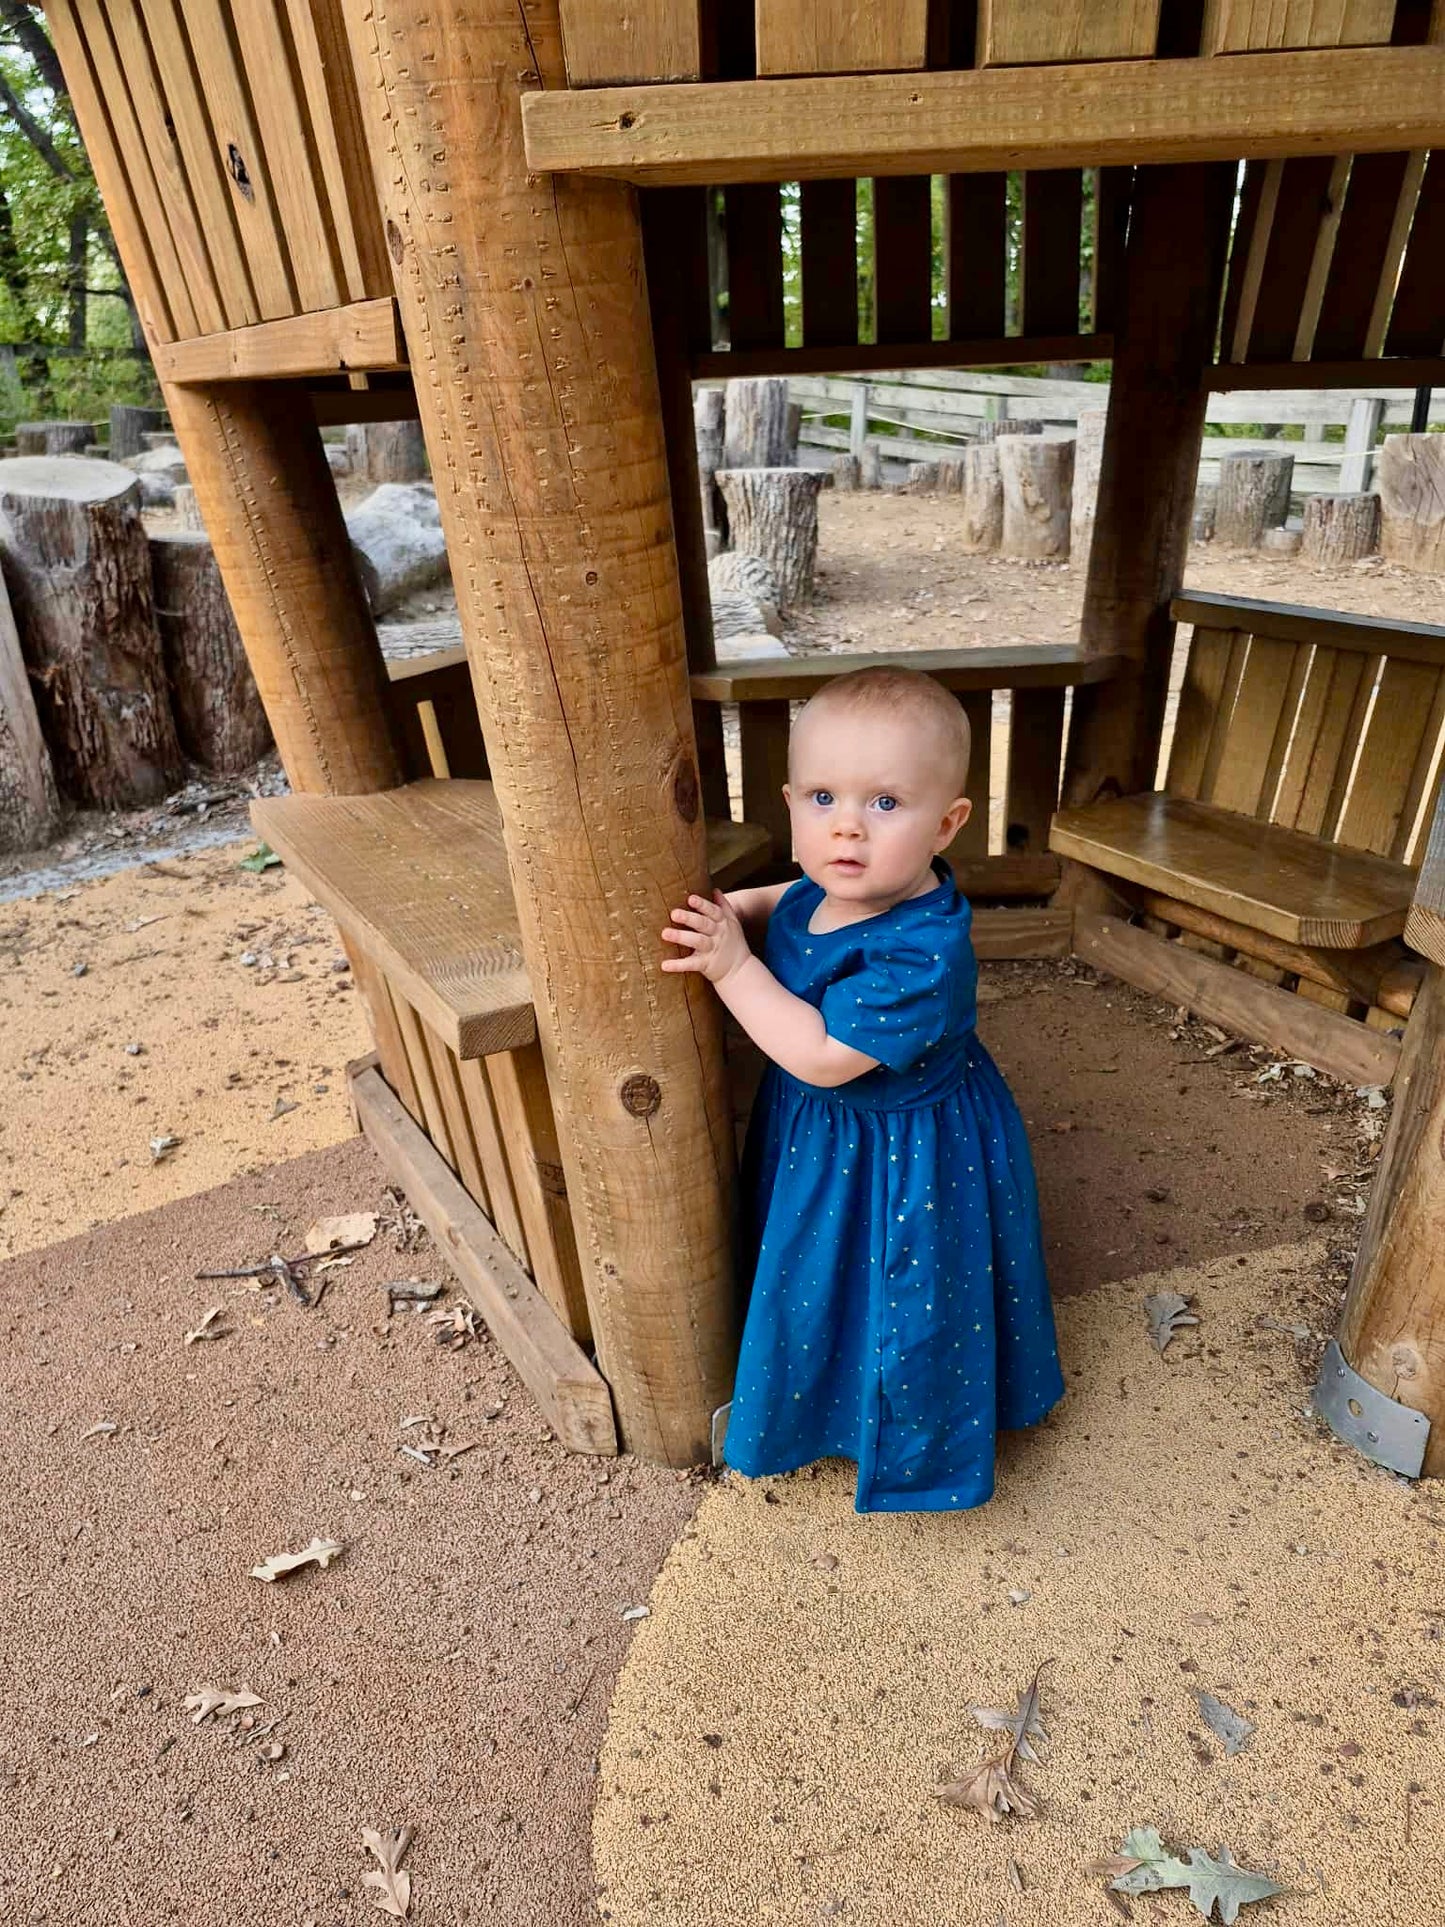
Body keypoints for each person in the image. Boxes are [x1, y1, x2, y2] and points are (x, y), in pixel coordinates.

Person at [661, 665, 1064, 1512]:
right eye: (819, 799)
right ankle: (823, 1395)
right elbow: (791, 897)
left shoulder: (919, 953)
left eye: (884, 804)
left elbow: (817, 1055)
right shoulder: (835, 879)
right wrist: (737, 907)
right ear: (790, 799)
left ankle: (900, 1431)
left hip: (902, 1152)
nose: (845, 827)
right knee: (821, 1268)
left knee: (900, 1285)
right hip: (829, 1135)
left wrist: (730, 963)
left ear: (947, 822)